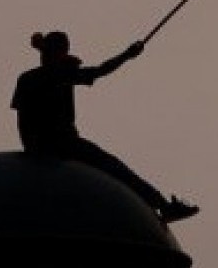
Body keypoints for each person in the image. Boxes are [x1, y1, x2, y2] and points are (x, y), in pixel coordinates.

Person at [11, 30, 198, 223]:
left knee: (114, 168)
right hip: (65, 143)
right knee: (116, 169)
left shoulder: (31, 77)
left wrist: (31, 149)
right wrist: (127, 55)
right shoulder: (63, 73)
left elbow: (22, 119)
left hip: (41, 145)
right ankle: (163, 206)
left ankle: (163, 205)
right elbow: (101, 70)